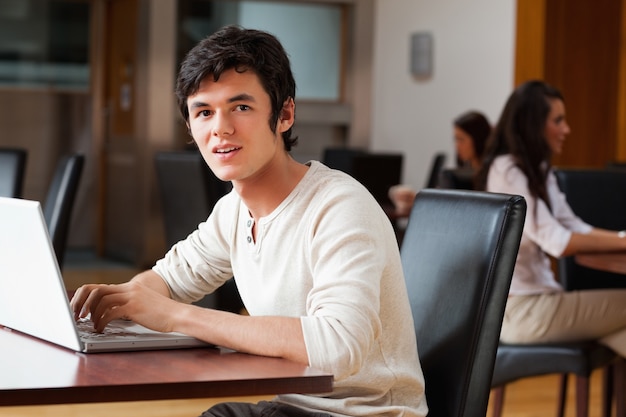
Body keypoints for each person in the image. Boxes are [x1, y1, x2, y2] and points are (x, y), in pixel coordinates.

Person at [70, 25, 427, 417]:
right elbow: (169, 280)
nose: (220, 128)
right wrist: (119, 304)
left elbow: (339, 347)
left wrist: (175, 316)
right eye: (204, 112)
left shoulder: (339, 206)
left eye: (240, 107)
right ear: (190, 128)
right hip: (292, 405)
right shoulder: (234, 210)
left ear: (285, 114)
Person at [475, 79, 626, 355]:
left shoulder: (537, 169)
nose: (566, 129)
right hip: (520, 311)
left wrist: (620, 238)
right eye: (558, 121)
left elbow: (573, 226)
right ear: (533, 125)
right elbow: (559, 242)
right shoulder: (507, 171)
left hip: (540, 303)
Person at [388, 110, 491, 216]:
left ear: (478, 139)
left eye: (461, 139)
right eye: (455, 139)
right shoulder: (460, 175)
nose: (457, 145)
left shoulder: (491, 175)